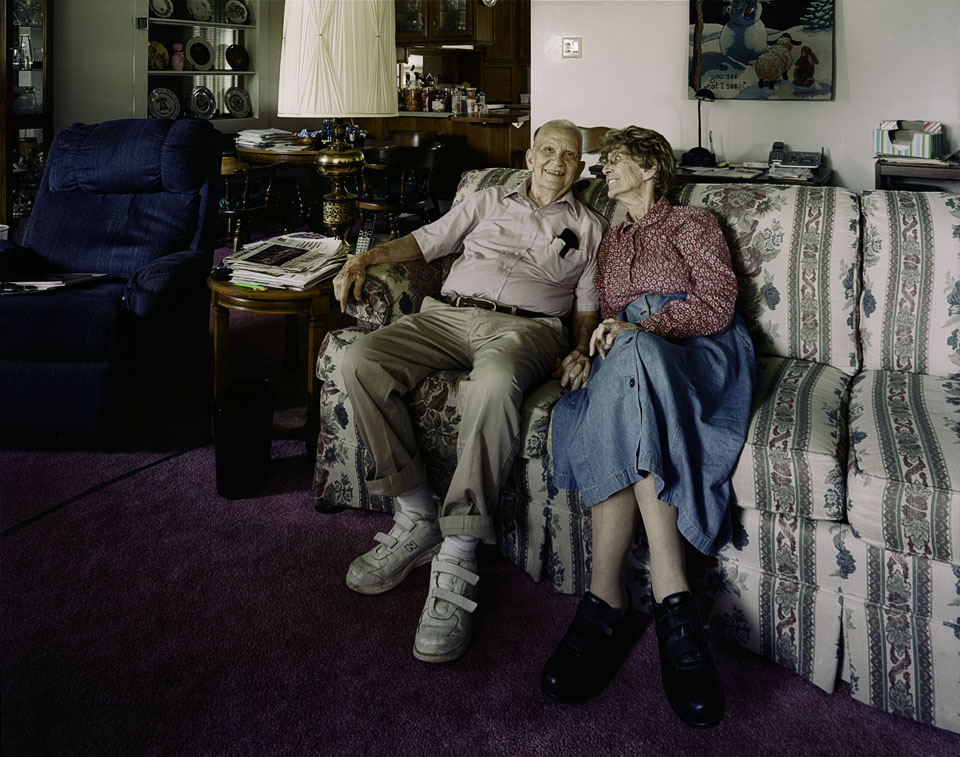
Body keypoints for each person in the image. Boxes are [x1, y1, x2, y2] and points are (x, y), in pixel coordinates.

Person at [332, 120, 608, 663]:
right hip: (448, 315)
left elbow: (586, 307)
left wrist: (580, 349)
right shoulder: (486, 200)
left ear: (580, 168)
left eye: (569, 155)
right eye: (548, 150)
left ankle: (458, 547)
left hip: (526, 329)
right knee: (360, 358)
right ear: (529, 158)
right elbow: (426, 241)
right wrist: (362, 257)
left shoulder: (591, 228)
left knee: (496, 382)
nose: (557, 161)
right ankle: (416, 514)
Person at [540, 126, 756, 728]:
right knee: (623, 371)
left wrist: (643, 328)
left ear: (652, 168)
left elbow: (716, 304)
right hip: (631, 358)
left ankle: (605, 600)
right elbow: (607, 318)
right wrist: (587, 349)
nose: (603, 170)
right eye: (604, 163)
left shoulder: (693, 223)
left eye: (615, 161)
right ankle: (673, 602)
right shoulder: (609, 241)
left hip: (697, 353)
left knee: (634, 356)